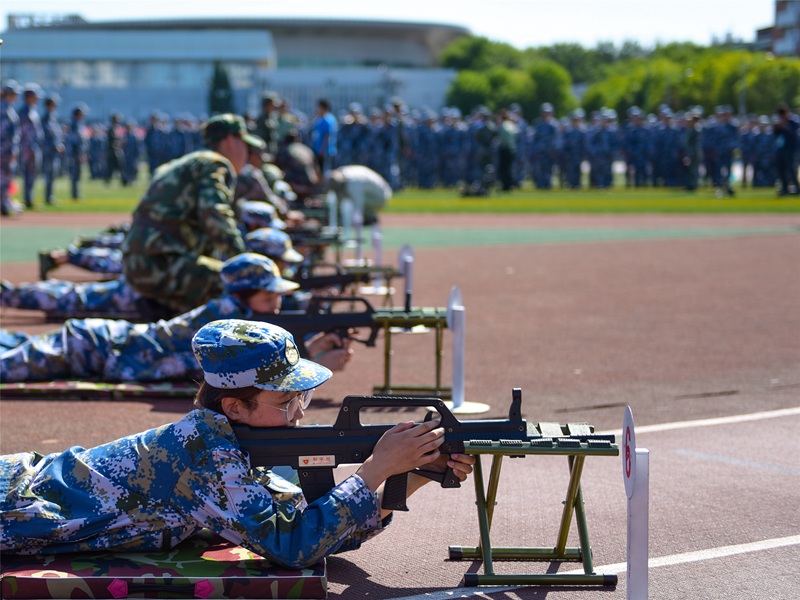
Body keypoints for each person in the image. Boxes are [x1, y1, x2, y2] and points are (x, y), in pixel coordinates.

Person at [0, 318, 475, 567]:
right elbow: (293, 547)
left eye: (302, 396)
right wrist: (374, 471)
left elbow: (319, 527)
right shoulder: (205, 458)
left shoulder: (232, 443)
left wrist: (407, 477)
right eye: (286, 400)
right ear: (235, 407)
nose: (300, 411)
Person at [0, 253, 351, 383]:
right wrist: (312, 357)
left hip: (99, 344)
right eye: (268, 295)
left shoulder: (233, 313)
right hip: (94, 345)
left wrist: (311, 346)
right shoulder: (225, 323)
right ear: (244, 295)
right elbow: (236, 374)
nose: (276, 304)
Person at [121, 114, 261, 314]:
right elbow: (215, 216)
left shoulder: (192, 162)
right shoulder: (216, 164)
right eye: (246, 146)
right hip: (158, 263)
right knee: (238, 286)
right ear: (230, 141)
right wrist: (246, 263)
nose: (247, 154)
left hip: (147, 261)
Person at [327, 164, 391, 226]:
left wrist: (348, 219)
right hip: (375, 191)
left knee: (353, 206)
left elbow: (358, 205)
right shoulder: (343, 172)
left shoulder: (354, 183)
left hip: (381, 197)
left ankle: (370, 217)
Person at [17, 83, 44, 209]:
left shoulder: (33, 111)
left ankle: (29, 197)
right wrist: (30, 147)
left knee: (33, 174)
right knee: (28, 173)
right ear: (29, 96)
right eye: (35, 96)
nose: (37, 99)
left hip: (33, 147)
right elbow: (24, 133)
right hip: (28, 148)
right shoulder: (24, 112)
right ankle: (27, 198)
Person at [0, 80, 23, 217]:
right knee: (4, 178)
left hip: (6, 150)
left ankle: (5, 201)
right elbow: (4, 133)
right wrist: (11, 150)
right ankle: (4, 203)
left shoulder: (8, 108)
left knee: (5, 178)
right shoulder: (4, 110)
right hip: (4, 151)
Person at [41, 94, 64, 205]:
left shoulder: (52, 117)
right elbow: (47, 135)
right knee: (49, 174)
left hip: (53, 151)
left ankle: (50, 196)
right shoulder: (46, 118)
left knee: (53, 174)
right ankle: (48, 197)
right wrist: (55, 146)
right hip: (49, 151)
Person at [773, 104, 799, 196]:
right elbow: (775, 135)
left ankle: (796, 188)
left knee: (791, 169)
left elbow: (794, 135)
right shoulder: (778, 123)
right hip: (780, 149)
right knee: (781, 169)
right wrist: (777, 126)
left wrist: (785, 126)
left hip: (790, 150)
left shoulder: (793, 122)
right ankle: (784, 188)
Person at [65, 103, 88, 200]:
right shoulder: (74, 125)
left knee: (78, 174)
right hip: (75, 154)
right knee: (75, 174)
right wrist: (79, 153)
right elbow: (74, 141)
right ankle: (74, 194)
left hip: (78, 153)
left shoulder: (79, 124)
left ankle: (76, 193)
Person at [310, 98, 337, 175]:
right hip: (317, 150)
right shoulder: (319, 119)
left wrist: (323, 149)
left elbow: (327, 135)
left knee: (325, 171)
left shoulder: (328, 120)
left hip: (325, 151)